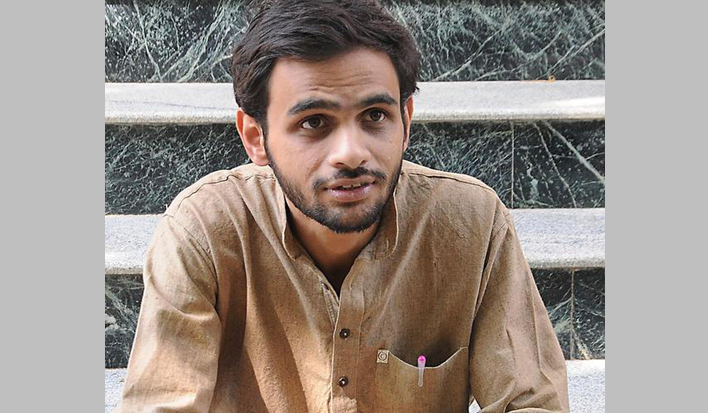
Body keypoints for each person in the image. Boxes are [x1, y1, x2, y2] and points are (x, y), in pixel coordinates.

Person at [116, 0, 570, 411]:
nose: (351, 154)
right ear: (256, 137)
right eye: (314, 122)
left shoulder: (471, 224)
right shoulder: (204, 231)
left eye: (375, 116)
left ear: (405, 121)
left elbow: (532, 403)